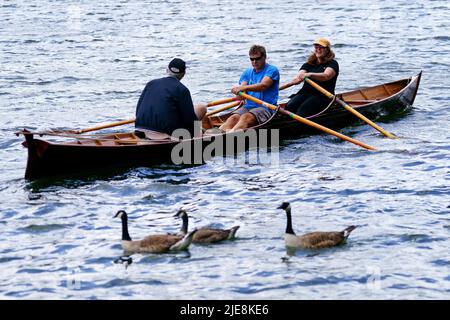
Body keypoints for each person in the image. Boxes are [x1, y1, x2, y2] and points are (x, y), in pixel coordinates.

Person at [135, 58, 206, 138]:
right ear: (183, 74)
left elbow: (138, 110)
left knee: (199, 109)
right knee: (201, 108)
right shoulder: (182, 89)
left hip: (140, 129)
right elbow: (189, 119)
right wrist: (198, 132)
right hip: (165, 134)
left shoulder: (151, 83)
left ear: (167, 70)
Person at [219, 45, 280, 132]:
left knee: (246, 117)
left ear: (264, 57)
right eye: (252, 59)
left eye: (257, 59)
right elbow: (241, 97)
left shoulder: (272, 70)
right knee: (233, 118)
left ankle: (229, 134)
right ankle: (215, 134)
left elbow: (263, 86)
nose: (254, 62)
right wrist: (239, 92)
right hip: (248, 106)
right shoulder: (247, 72)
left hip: (266, 108)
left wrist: (243, 87)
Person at [285, 38, 339, 117]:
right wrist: (299, 77)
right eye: (316, 47)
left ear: (327, 50)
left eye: (321, 48)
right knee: (289, 107)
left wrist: (310, 74)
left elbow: (326, 76)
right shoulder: (309, 63)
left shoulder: (332, 63)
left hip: (322, 96)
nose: (318, 50)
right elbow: (301, 74)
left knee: (302, 111)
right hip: (305, 93)